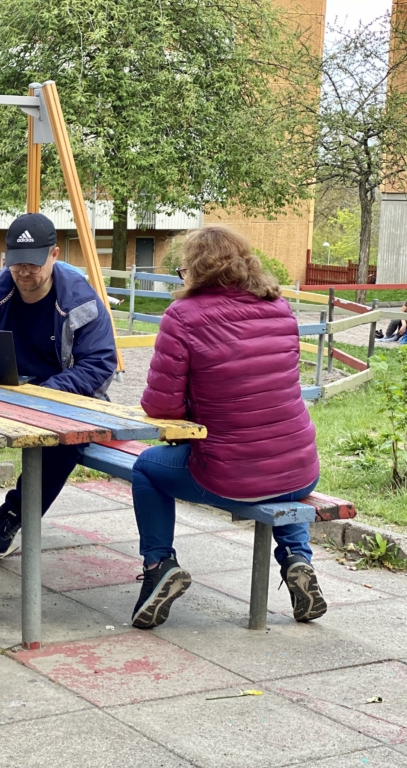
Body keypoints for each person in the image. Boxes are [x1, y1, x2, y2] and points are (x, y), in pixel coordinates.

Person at [131, 225, 326, 629]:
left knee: (146, 468)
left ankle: (158, 565)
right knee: (276, 466)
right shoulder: (280, 309)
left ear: (194, 270)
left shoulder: (182, 317)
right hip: (300, 469)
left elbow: (160, 407)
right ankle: (297, 560)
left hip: (230, 475)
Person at [0, 212, 117, 569]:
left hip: (59, 401)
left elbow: (98, 367)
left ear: (55, 254)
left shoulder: (82, 302)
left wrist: (43, 392)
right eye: (16, 264)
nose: (25, 272)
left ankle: (12, 517)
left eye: (33, 264)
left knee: (68, 441)